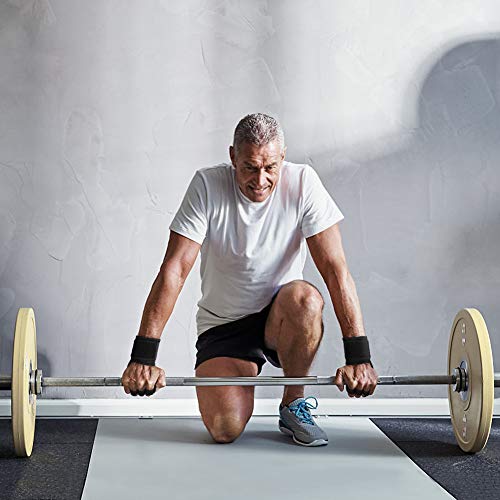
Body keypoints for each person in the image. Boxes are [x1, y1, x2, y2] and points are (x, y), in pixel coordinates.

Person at [121, 113, 378, 446]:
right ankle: (240, 380)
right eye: (249, 167)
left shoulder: (303, 183)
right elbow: (175, 268)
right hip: (224, 325)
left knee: (306, 299)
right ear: (233, 158)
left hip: (282, 316)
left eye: (270, 167)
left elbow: (335, 270)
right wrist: (143, 356)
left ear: (282, 158)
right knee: (225, 430)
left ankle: (293, 401)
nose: (260, 179)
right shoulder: (207, 185)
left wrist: (359, 357)